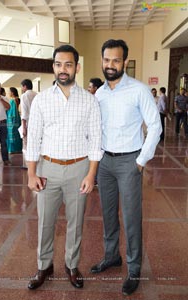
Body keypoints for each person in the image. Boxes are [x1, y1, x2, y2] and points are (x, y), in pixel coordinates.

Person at [26, 44, 102, 290]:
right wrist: (31, 173)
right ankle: (44, 266)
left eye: (68, 64)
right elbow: (33, 137)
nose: (63, 69)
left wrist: (91, 174)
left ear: (77, 67)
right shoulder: (41, 100)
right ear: (53, 67)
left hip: (79, 169)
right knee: (45, 222)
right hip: (48, 169)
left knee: (75, 222)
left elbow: (96, 139)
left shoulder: (89, 101)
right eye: (58, 64)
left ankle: (71, 265)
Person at [90, 39, 162, 296]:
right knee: (108, 214)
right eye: (107, 60)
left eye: (116, 60)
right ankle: (112, 256)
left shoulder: (138, 90)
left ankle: (133, 268)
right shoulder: (99, 94)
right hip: (105, 162)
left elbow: (155, 126)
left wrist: (141, 161)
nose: (111, 65)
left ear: (125, 62)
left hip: (130, 161)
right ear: (102, 60)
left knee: (131, 218)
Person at [20, 79, 37, 168]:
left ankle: (27, 164)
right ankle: (36, 163)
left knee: (26, 144)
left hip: (28, 123)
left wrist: (23, 127)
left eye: (22, 86)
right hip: (37, 123)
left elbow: (24, 113)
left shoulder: (24, 96)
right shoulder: (37, 95)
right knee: (35, 143)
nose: (22, 88)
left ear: (25, 86)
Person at [6, 87, 22, 153]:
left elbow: (12, 112)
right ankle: (18, 148)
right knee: (17, 133)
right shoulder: (17, 99)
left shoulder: (12, 100)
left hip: (13, 119)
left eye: (9, 92)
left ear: (12, 93)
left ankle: (13, 149)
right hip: (17, 118)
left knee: (12, 134)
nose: (8, 93)